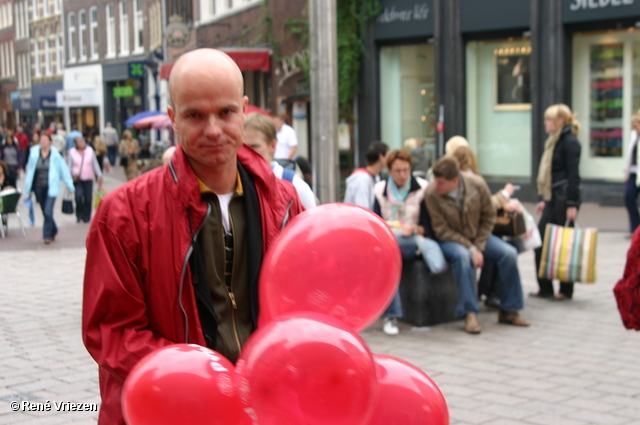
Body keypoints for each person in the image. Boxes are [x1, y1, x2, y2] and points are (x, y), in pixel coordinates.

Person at [82, 48, 304, 424]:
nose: (213, 130)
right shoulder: (124, 213)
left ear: (244, 109)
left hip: (263, 407)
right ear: (173, 119)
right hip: (171, 407)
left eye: (226, 112)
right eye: (196, 116)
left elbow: (299, 309)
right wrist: (201, 382)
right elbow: (113, 333)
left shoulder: (283, 201)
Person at [425, 156, 530, 334]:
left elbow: (488, 216)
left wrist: (479, 245)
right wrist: (472, 248)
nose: (436, 186)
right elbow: (441, 229)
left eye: (441, 183)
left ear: (455, 181)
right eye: (436, 181)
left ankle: (510, 309)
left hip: (478, 236)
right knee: (463, 257)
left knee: (508, 253)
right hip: (452, 240)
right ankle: (469, 313)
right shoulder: (431, 193)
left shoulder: (477, 184)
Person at [373, 149, 447, 335]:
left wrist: (413, 229)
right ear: (389, 171)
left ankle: (391, 316)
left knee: (388, 250)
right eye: (398, 171)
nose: (403, 175)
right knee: (388, 252)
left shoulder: (422, 188)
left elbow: (429, 229)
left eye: (406, 170)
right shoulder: (380, 190)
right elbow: (375, 223)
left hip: (414, 242)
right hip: (389, 242)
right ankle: (391, 315)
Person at [532, 104, 581, 301]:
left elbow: (573, 175)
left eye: (549, 119)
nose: (545, 123)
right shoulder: (553, 141)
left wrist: (572, 204)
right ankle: (545, 287)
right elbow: (549, 174)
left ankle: (565, 289)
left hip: (563, 199)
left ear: (560, 121)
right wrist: (544, 199)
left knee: (563, 244)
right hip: (552, 198)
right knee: (540, 242)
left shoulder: (569, 142)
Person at [244, 112, 317, 209]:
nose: (247, 153)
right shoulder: (235, 183)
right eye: (243, 147)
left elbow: (311, 222)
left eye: (254, 147)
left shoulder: (296, 186)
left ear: (273, 145)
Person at [23, 131, 75, 244]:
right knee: (44, 211)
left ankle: (46, 235)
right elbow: (30, 170)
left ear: (50, 142)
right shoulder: (34, 154)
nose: (43, 142)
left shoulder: (55, 155)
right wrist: (27, 187)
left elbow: (64, 171)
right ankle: (54, 229)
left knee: (48, 211)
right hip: (38, 187)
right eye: (41, 140)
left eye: (45, 140)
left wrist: (70, 185)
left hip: (51, 187)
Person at [343, 141, 389, 209]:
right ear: (381, 157)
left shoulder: (375, 177)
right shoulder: (361, 179)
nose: (389, 159)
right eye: (388, 155)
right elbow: (362, 210)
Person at [68, 135, 103, 223]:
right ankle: (79, 214)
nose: (83, 143)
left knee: (88, 198)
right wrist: (68, 178)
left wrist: (99, 175)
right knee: (78, 196)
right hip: (77, 179)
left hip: (88, 178)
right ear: (76, 144)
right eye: (80, 142)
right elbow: (69, 166)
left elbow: (95, 163)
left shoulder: (90, 150)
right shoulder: (72, 152)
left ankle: (86, 216)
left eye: (83, 141)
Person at [624, 110, 640, 235]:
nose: (635, 129)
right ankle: (635, 229)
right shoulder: (634, 136)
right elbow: (630, 155)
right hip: (634, 172)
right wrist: (627, 172)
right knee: (629, 197)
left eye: (636, 126)